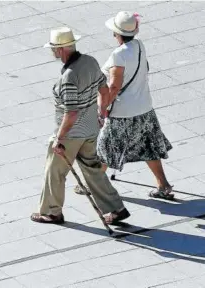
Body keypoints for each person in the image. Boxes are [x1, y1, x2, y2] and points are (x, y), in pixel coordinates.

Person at [31, 27, 130, 225]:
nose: (53, 52)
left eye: (54, 49)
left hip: (71, 134)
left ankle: (52, 212)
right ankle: (115, 208)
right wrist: (101, 113)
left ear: (61, 50)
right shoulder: (91, 61)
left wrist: (59, 139)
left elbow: (71, 111)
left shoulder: (69, 76)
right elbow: (103, 89)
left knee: (54, 171)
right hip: (90, 129)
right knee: (93, 169)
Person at [98, 11, 174, 199]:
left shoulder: (119, 54)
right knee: (148, 146)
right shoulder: (140, 45)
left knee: (105, 148)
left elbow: (114, 86)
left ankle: (93, 184)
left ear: (117, 34)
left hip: (123, 112)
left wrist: (103, 108)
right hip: (144, 107)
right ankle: (163, 185)